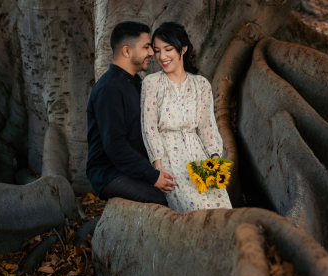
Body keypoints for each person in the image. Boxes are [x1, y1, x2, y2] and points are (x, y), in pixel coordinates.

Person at [141, 22, 233, 213]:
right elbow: (149, 127)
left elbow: (207, 126)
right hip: (169, 159)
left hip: (199, 157)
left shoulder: (201, 84)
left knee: (222, 210)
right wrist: (157, 168)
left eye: (168, 49)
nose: (162, 56)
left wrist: (215, 159)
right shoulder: (152, 83)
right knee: (192, 211)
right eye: (157, 51)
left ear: (183, 49)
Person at [86, 21, 178, 206]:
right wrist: (152, 176)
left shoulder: (137, 83)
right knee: (159, 200)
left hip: (133, 168)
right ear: (126, 51)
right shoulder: (109, 89)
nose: (152, 53)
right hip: (110, 172)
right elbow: (115, 145)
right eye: (146, 47)